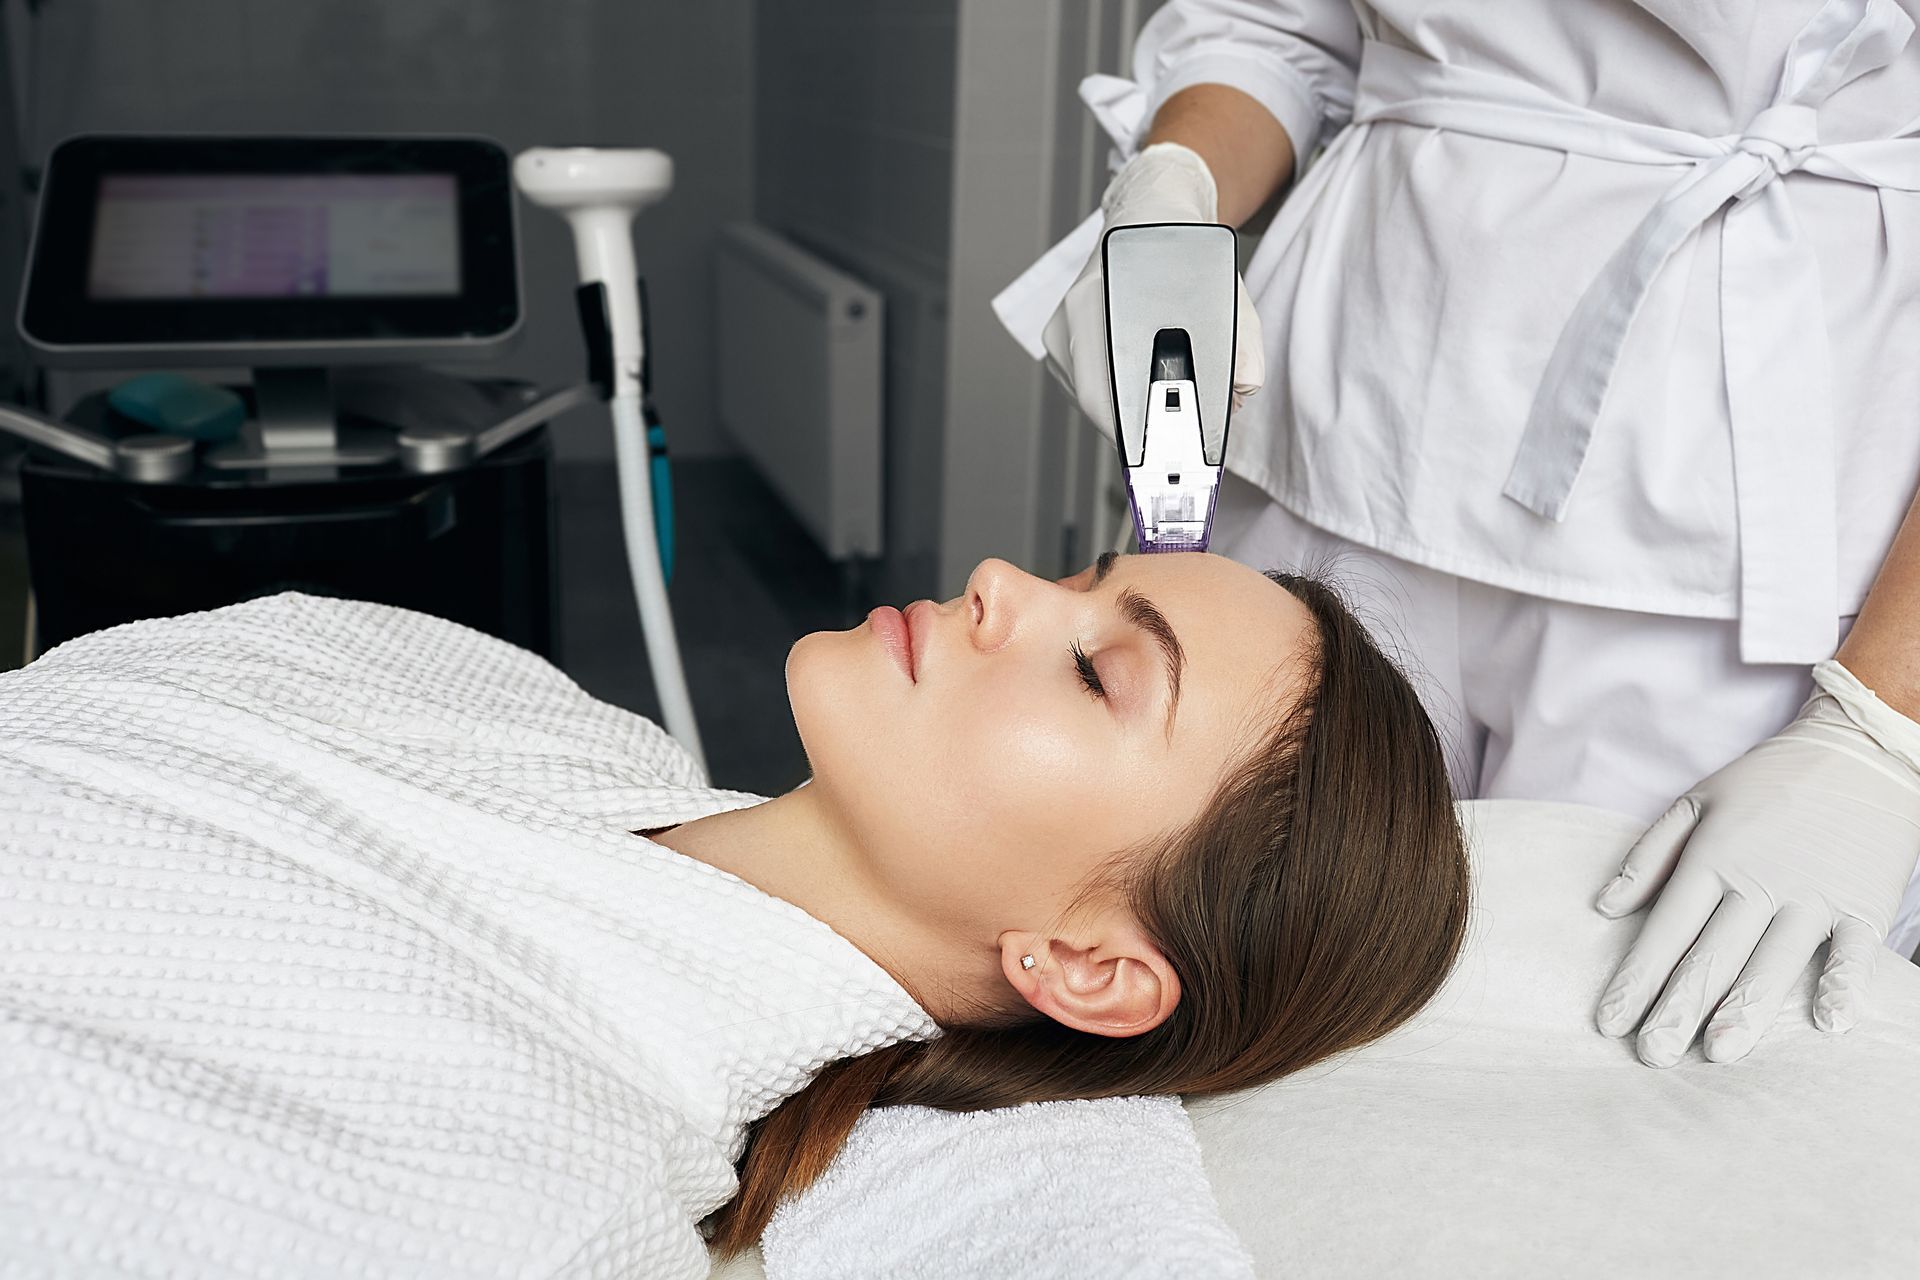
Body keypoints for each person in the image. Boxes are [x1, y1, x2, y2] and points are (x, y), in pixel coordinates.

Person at [0, 556, 1469, 1272]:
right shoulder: (487, 688)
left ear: (1084, 964)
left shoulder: (528, 1160)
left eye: (1099, 670)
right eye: (1080, 575)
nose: (1000, 582)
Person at [999, 0, 1920, 1070]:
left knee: (1616, 1073)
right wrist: (1172, 186)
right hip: (1335, 434)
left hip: (1744, 551)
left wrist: (1883, 730)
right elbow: (1275, 30)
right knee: (1206, 1018)